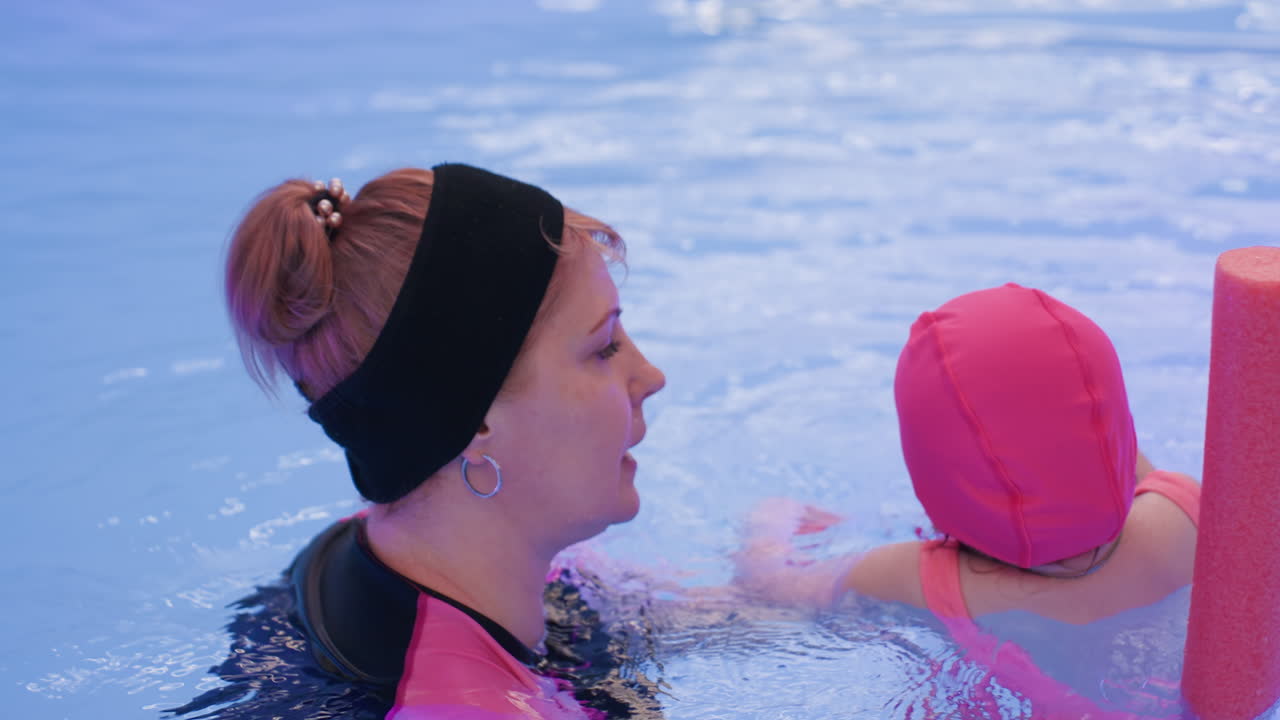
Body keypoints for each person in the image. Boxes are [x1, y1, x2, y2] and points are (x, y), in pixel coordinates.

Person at [218, 164, 666, 719]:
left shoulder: (373, 552)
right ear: (473, 422)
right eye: (604, 348)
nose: (651, 376)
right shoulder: (458, 704)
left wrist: (773, 571)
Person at [735, 283, 1200, 716]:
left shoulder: (924, 577)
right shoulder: (1182, 511)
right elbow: (1104, 447)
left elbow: (774, 588)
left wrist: (768, 523)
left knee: (721, 610)